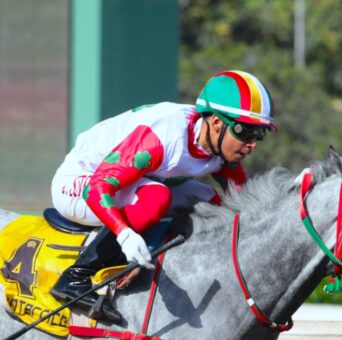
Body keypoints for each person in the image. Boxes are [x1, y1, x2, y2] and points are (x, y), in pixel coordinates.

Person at [49, 70, 277, 321]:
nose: (252, 143)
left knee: (212, 200)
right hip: (83, 180)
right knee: (157, 197)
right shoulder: (162, 138)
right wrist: (125, 235)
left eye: (259, 134)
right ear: (216, 123)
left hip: (133, 180)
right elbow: (97, 188)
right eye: (245, 131)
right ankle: (76, 276)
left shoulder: (220, 145)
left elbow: (247, 206)